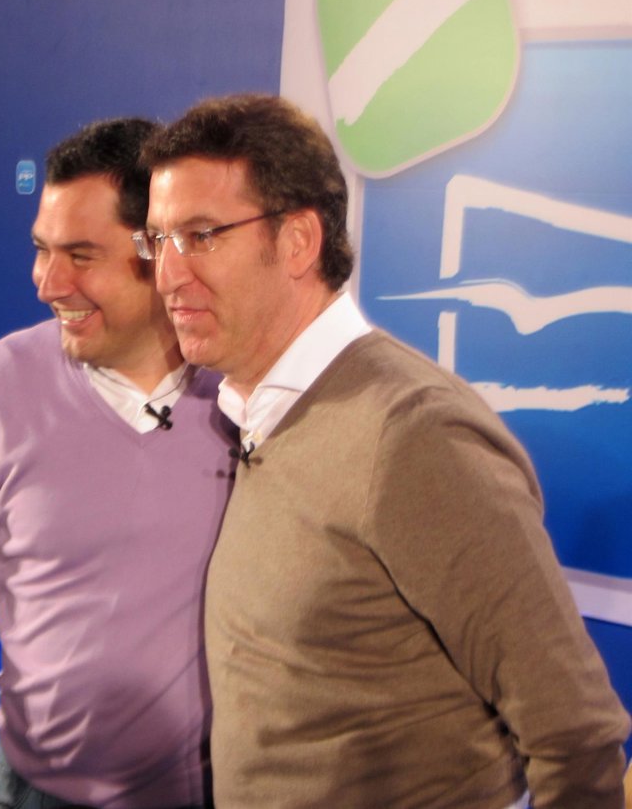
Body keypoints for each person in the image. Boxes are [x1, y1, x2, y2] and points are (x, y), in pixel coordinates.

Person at [137, 94, 631, 808]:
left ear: (298, 241)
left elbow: (575, 735)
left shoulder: (414, 436)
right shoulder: (255, 414)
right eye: (158, 240)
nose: (167, 275)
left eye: (201, 235)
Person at [0, 118, 235, 809]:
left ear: (161, 254)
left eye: (80, 255)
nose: (47, 282)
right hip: (28, 792)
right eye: (42, 249)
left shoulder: (244, 392)